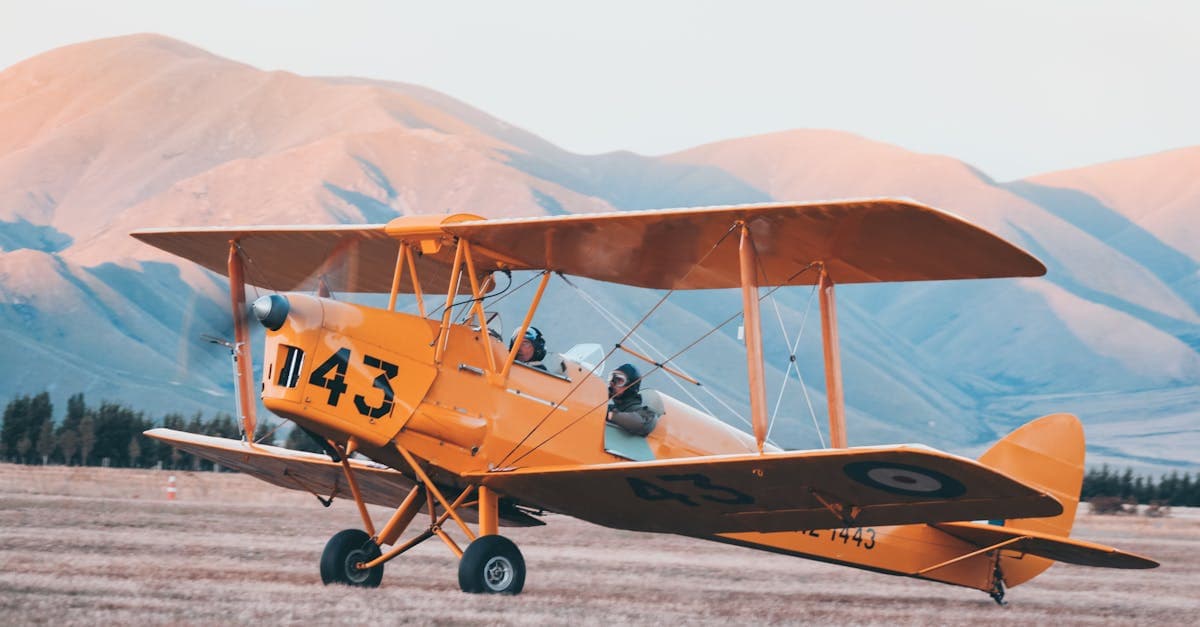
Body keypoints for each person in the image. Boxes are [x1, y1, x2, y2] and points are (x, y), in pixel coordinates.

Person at [606, 363, 660, 436]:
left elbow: (645, 422)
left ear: (631, 386)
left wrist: (611, 415)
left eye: (619, 380)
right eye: (612, 378)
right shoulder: (611, 408)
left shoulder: (641, 411)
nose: (612, 383)